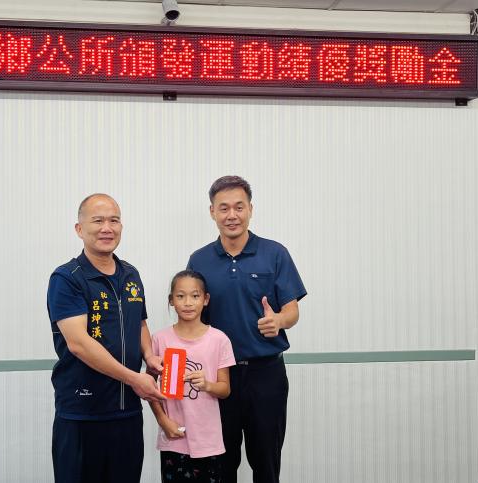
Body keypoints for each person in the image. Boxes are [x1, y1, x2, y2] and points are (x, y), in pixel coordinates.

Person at [187, 176, 307, 483]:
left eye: (239, 207)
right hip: (219, 377)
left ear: (250, 209)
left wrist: (279, 321)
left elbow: (292, 310)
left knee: (266, 462)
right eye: (223, 208)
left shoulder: (275, 253)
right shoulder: (199, 260)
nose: (232, 215)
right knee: (220, 465)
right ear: (212, 212)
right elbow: (192, 317)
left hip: (265, 374)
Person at [46, 193, 164, 483]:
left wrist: (149, 355)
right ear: (79, 229)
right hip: (83, 414)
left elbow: (140, 322)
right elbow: (79, 344)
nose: (107, 228)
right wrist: (134, 379)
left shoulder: (131, 274)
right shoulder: (67, 278)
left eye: (114, 220)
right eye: (98, 221)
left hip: (127, 413)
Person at [149, 270, 236, 483]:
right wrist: (162, 420)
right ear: (171, 300)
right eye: (180, 296)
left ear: (205, 299)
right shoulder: (160, 339)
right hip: (174, 436)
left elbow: (225, 389)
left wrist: (207, 385)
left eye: (195, 296)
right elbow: (149, 387)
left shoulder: (219, 340)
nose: (188, 303)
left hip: (208, 440)